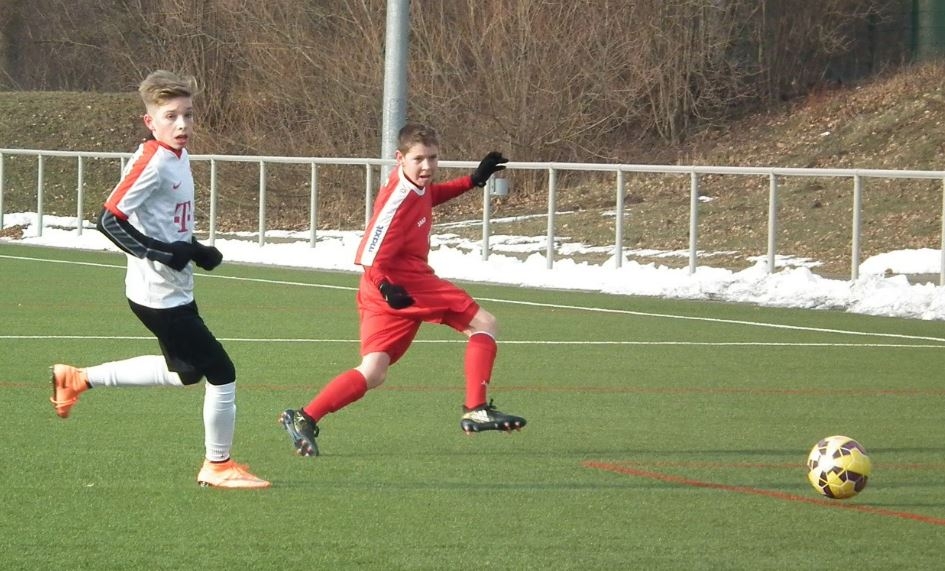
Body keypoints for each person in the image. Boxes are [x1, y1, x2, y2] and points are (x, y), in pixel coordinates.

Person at [49, 70, 269, 489]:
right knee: (221, 371)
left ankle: (77, 379)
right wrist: (164, 253)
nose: (182, 124)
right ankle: (217, 466)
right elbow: (107, 220)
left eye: (188, 114)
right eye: (171, 116)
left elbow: (167, 222)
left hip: (172, 288)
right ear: (150, 122)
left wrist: (195, 249)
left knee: (186, 372)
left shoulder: (177, 157)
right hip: (158, 294)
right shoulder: (152, 161)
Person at [279, 122, 526, 457]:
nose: (427, 166)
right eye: (418, 159)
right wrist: (387, 287)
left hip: (386, 289)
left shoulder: (415, 186)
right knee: (485, 323)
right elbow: (368, 254)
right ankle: (476, 407)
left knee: (374, 371)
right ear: (400, 158)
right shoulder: (396, 200)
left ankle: (304, 417)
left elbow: (430, 196)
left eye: (433, 158)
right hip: (400, 283)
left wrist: (473, 180)